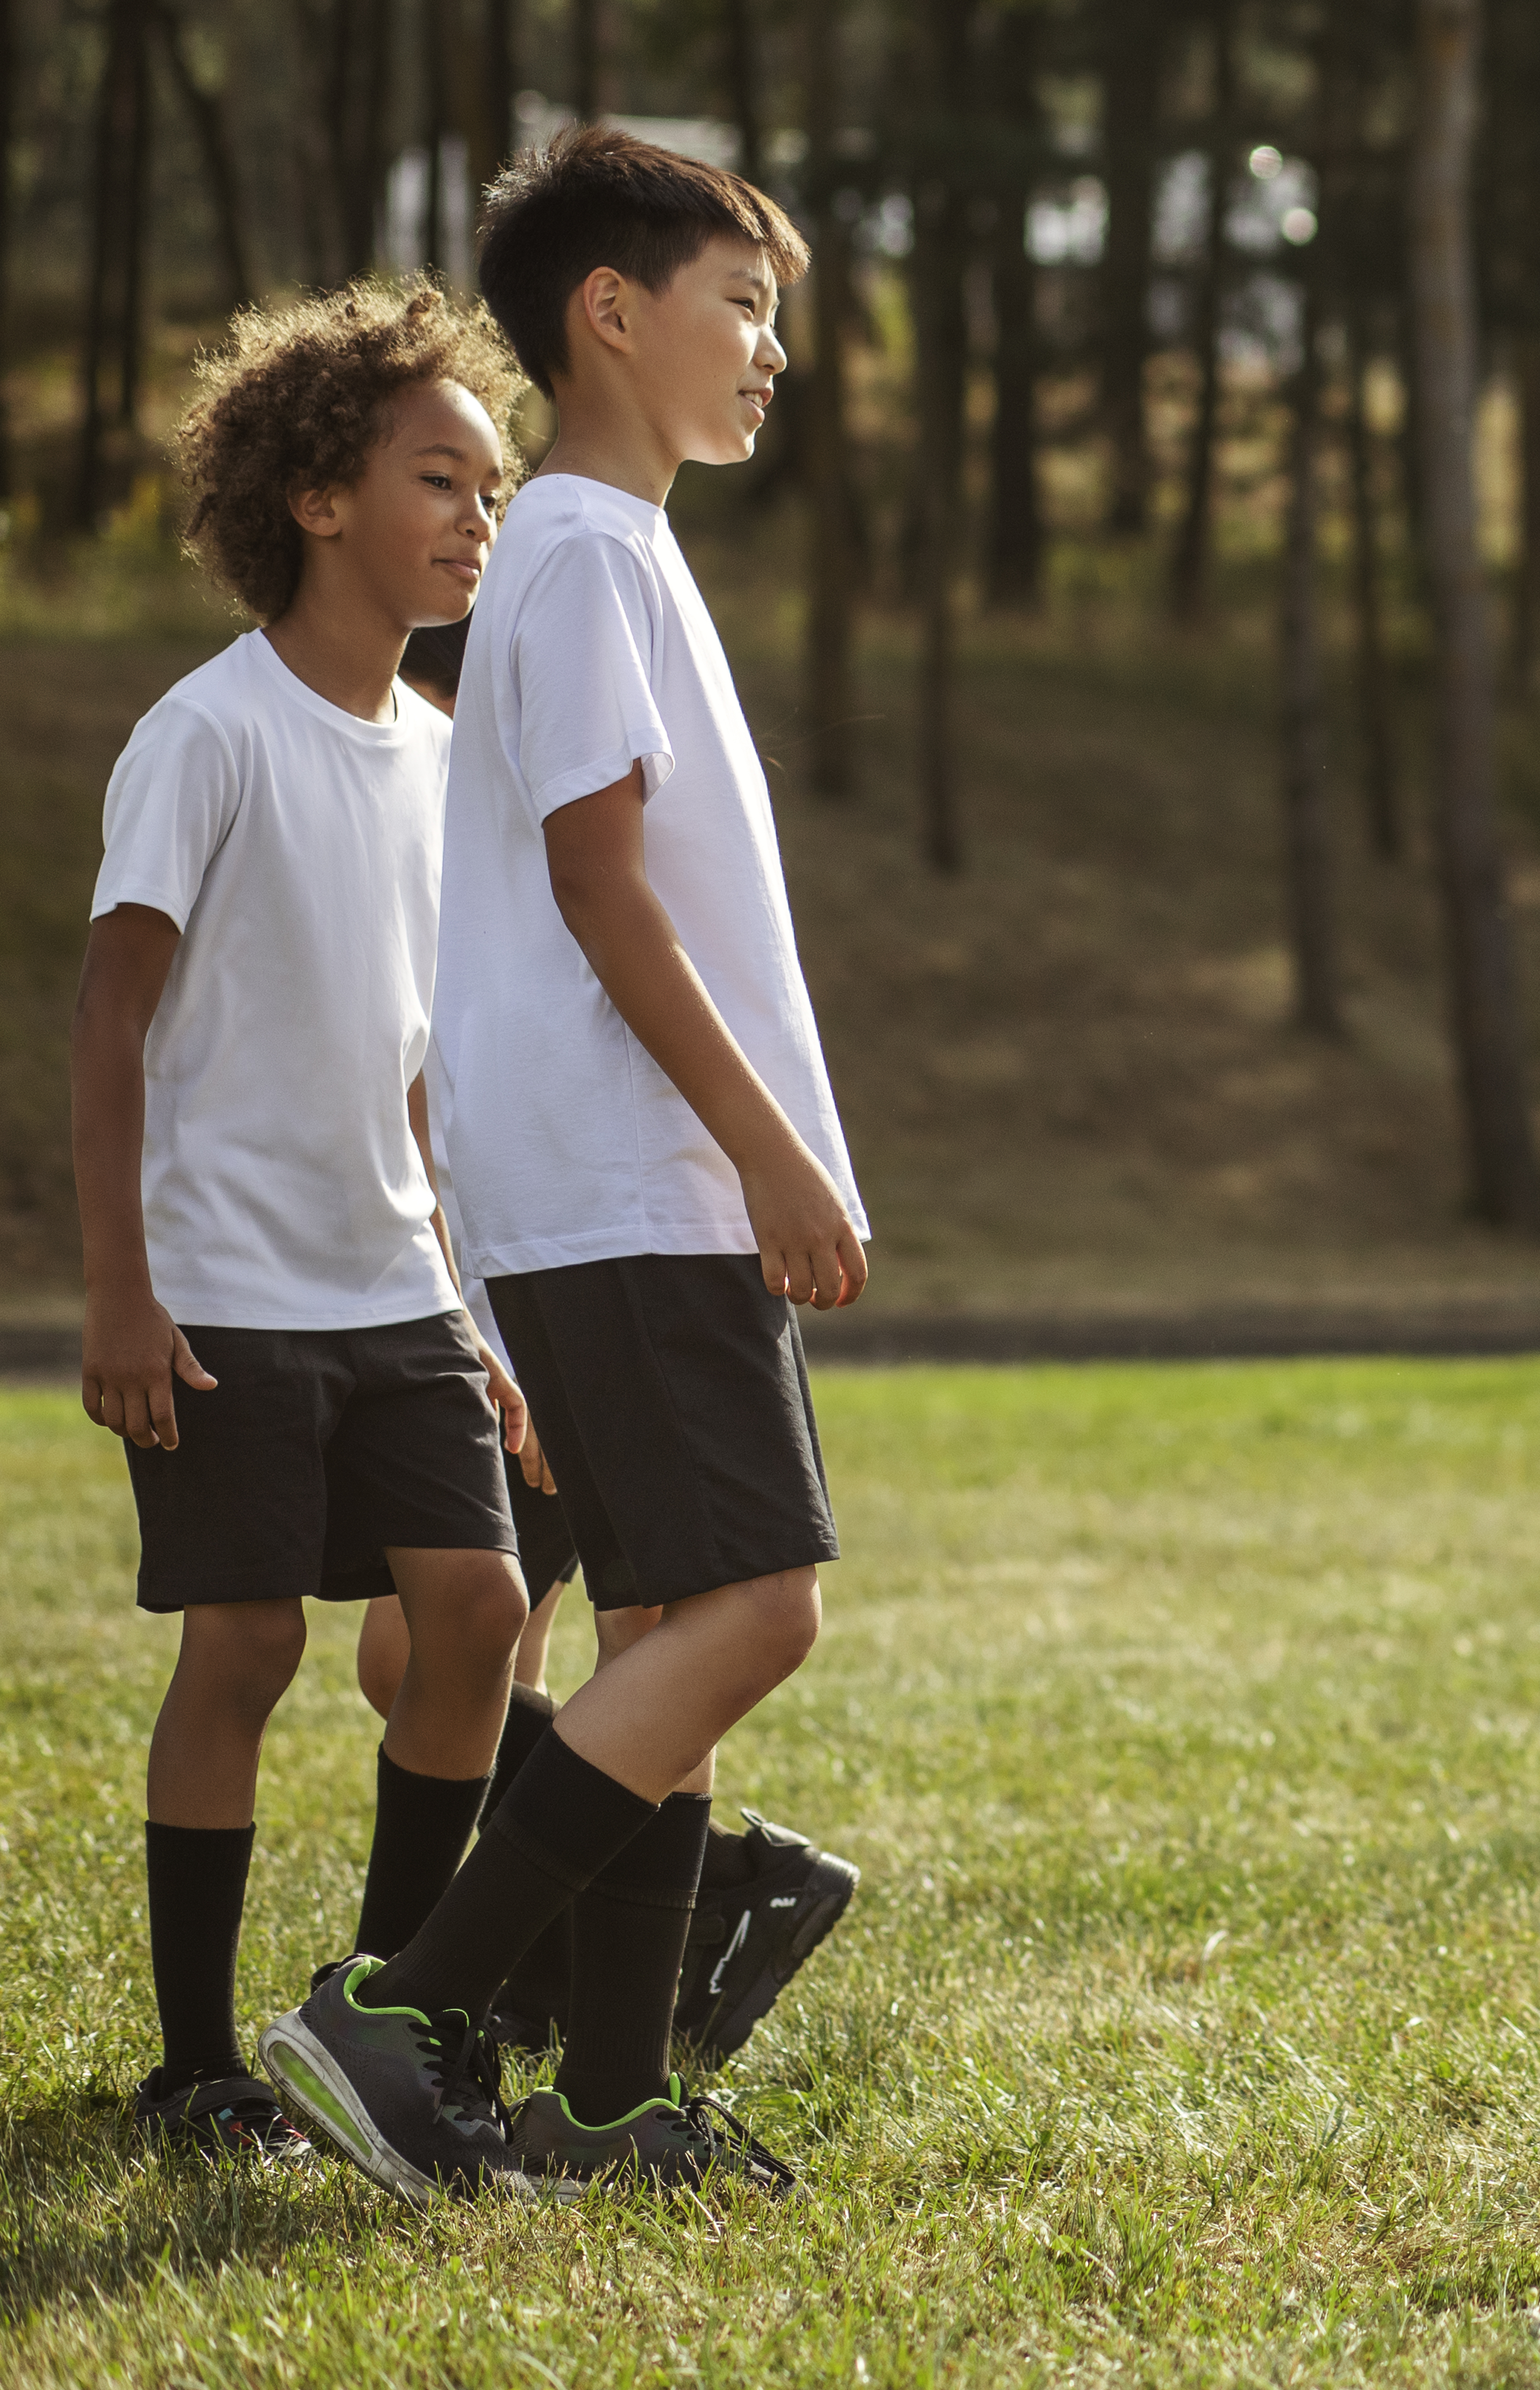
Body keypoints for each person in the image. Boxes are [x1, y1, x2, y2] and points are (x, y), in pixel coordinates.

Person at [263, 124, 867, 2201]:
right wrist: (772, 1156)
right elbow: (607, 889)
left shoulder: (590, 552)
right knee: (762, 1609)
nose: (775, 349)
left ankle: (614, 2101)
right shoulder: (595, 548)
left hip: (596, 1185)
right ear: (613, 313)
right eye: (746, 304)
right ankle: (406, 2003)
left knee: (673, 1634)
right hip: (638, 1181)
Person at [75, 283, 536, 2161]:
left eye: (494, 493)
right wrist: (119, 1286)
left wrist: (478, 1309)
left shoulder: (441, 758)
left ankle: (380, 2008)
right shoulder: (208, 733)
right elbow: (108, 1014)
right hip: (226, 1288)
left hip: (393, 1280)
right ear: (319, 494)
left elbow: (424, 1071)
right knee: (249, 1644)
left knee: (481, 1608)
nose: (476, 521)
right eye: (442, 477)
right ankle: (194, 2065)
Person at [358, 618, 862, 2078]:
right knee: (459, 1648)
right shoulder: (398, 769)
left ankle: (498, 1994)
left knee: (526, 1640)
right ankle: (578, 1997)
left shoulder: (500, 752)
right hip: (513, 1277)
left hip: (568, 1277)